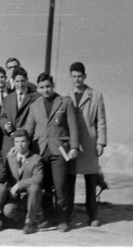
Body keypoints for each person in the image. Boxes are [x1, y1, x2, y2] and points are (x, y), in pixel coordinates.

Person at [25, 72, 79, 232]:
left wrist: (74, 147)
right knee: (45, 187)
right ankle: (48, 218)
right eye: (41, 87)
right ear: (38, 89)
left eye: (48, 86)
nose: (45, 90)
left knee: (60, 186)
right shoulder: (34, 105)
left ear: (53, 85)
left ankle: (62, 219)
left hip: (59, 151)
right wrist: (20, 144)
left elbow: (73, 126)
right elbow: (29, 128)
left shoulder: (65, 102)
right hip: (40, 151)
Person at [66, 62, 107, 227]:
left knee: (91, 180)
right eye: (74, 76)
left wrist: (101, 142)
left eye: (80, 76)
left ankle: (92, 216)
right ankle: (67, 216)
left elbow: (101, 121)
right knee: (70, 181)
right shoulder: (65, 95)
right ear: (70, 77)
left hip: (90, 142)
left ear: (85, 76)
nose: (77, 79)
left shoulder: (95, 95)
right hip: (72, 144)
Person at [3, 129, 43, 234]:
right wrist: (9, 188)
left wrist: (19, 185)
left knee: (34, 187)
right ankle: (24, 220)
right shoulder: (10, 158)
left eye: (23, 141)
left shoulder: (36, 159)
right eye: (17, 142)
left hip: (30, 197)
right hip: (16, 198)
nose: (20, 145)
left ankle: (29, 222)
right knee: (7, 210)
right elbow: (5, 177)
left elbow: (38, 178)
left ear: (28, 142)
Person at [0, 66, 40, 159]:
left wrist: (23, 132)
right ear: (13, 81)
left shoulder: (35, 97)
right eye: (17, 81)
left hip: (26, 143)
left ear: (27, 80)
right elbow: (2, 117)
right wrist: (5, 125)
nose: (20, 84)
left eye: (23, 81)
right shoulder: (8, 98)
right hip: (9, 141)